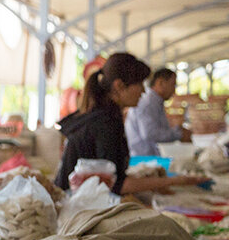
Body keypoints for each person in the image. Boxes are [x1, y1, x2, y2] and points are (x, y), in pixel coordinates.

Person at [54, 52, 206, 196]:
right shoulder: (105, 123)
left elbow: (113, 176)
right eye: (139, 84)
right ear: (119, 86)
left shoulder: (108, 115)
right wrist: (177, 181)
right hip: (75, 202)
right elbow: (116, 184)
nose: (143, 91)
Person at [125, 66, 191, 157]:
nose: (174, 90)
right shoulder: (148, 103)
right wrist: (179, 134)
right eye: (173, 84)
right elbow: (150, 133)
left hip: (148, 156)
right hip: (142, 158)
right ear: (160, 82)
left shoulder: (155, 102)